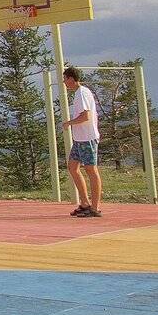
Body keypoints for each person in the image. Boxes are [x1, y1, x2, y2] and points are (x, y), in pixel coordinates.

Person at [62, 66, 103, 217]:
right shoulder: (78, 94)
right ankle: (85, 203)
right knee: (73, 167)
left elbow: (86, 116)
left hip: (87, 138)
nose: (64, 82)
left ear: (71, 79)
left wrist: (69, 123)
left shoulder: (83, 93)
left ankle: (95, 207)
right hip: (79, 139)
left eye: (65, 79)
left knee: (91, 170)